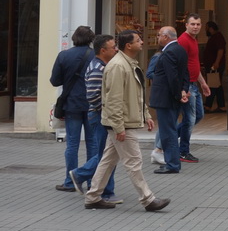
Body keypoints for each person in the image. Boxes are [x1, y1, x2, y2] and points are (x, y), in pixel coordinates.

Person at [83, 29, 169, 211]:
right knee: (134, 161)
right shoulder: (118, 66)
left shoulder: (127, 63)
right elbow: (113, 100)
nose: (142, 43)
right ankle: (148, 199)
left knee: (108, 160)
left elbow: (136, 94)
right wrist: (118, 127)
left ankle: (92, 196)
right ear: (129, 45)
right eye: (139, 40)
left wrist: (145, 115)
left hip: (123, 121)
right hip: (122, 124)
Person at [68, 35, 119, 202]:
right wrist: (105, 112)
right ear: (103, 50)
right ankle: (80, 174)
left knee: (108, 153)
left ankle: (106, 190)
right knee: (107, 154)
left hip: (101, 115)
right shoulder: (98, 68)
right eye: (113, 47)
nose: (116, 49)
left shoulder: (104, 66)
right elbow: (93, 96)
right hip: (100, 116)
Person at [51, 25, 96, 192]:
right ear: (91, 38)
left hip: (72, 104)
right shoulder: (96, 56)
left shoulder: (64, 56)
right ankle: (92, 181)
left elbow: (55, 81)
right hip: (93, 104)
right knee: (93, 143)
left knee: (72, 144)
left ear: (74, 38)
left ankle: (69, 182)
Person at [150, 26, 189, 174]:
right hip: (172, 97)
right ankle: (172, 162)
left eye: (159, 35)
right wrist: (183, 90)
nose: (158, 37)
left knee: (168, 132)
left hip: (166, 99)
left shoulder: (168, 53)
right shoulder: (180, 50)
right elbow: (185, 73)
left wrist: (179, 94)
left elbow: (172, 77)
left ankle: (172, 164)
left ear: (166, 37)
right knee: (170, 130)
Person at [176, 13, 210, 163]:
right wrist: (184, 88)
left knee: (198, 116)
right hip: (187, 85)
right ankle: (183, 151)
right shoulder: (183, 41)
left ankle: (166, 139)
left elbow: (194, 64)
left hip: (194, 84)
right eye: (193, 24)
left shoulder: (193, 40)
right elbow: (179, 66)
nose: (196, 27)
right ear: (186, 25)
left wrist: (202, 83)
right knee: (189, 119)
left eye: (198, 24)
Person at [203, 21, 227, 112]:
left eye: (206, 28)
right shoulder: (213, 37)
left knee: (212, 84)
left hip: (215, 66)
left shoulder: (218, 37)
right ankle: (221, 105)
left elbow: (220, 50)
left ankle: (208, 105)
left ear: (211, 28)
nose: (205, 30)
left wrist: (216, 63)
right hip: (212, 65)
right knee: (217, 85)